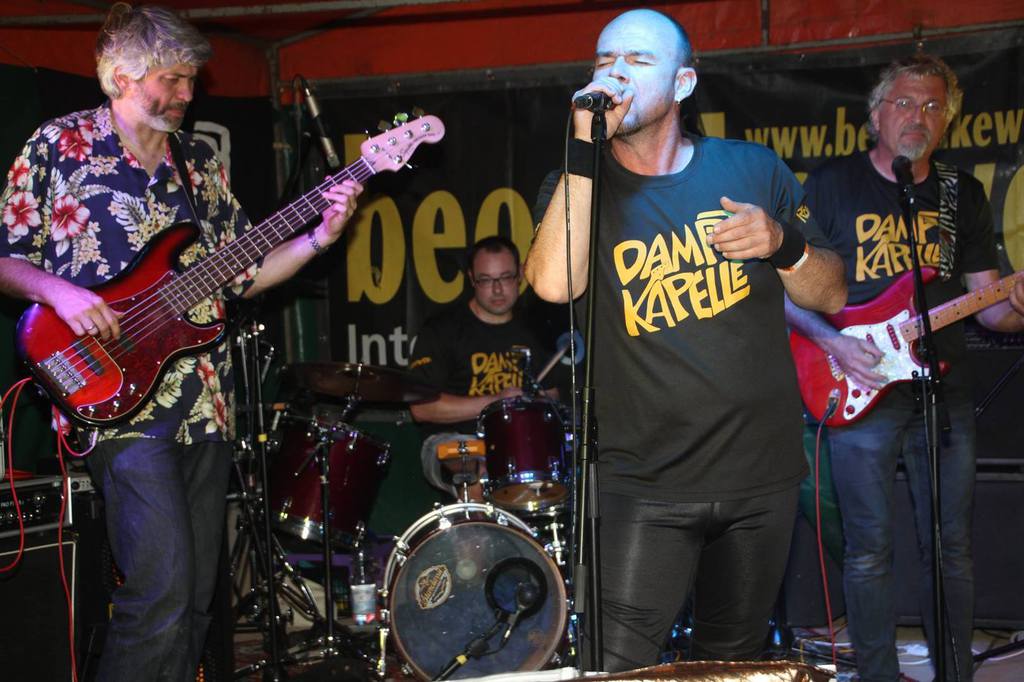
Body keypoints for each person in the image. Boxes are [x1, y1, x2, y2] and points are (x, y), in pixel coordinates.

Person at [0, 5, 362, 681]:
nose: (188, 93)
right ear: (121, 77)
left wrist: (319, 238)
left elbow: (245, 272)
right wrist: (61, 293)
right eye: (172, 78)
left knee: (195, 604)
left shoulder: (197, 162)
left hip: (206, 405)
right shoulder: (57, 145)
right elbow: (5, 260)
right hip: (116, 401)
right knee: (160, 594)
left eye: (192, 78)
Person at [524, 8, 846, 671]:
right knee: (617, 669)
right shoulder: (575, 185)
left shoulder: (752, 168)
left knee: (730, 665)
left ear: (683, 83)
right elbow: (553, 285)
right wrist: (583, 147)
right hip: (644, 485)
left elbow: (831, 293)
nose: (616, 72)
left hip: (760, 477)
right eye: (605, 60)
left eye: (638, 61)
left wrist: (781, 243)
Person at [784, 55, 1024, 682]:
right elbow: (785, 294)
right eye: (905, 103)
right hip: (857, 379)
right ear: (876, 115)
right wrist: (835, 345)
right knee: (868, 552)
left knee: (951, 549)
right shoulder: (830, 185)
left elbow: (990, 307)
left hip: (943, 390)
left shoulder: (959, 193)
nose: (918, 116)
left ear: (947, 120)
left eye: (933, 106)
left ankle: (954, 674)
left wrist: (1017, 307)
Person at [408, 235, 560, 502]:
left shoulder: (536, 328)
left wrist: (532, 403)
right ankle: (475, 526)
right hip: (453, 438)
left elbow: (553, 394)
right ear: (472, 279)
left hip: (520, 439)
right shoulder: (442, 330)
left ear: (520, 275)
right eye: (486, 280)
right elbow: (421, 409)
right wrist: (497, 402)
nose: (497, 289)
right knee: (481, 466)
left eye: (505, 277)